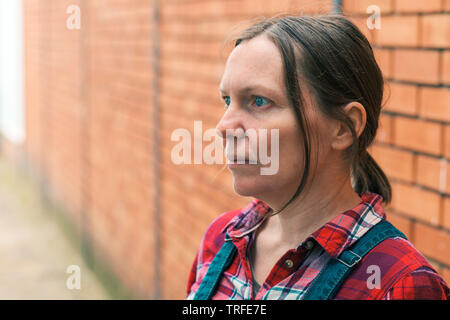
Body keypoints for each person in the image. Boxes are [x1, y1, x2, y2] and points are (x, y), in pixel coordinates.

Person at [185, 14, 450, 300]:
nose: (223, 127)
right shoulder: (222, 238)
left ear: (342, 128)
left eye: (259, 101)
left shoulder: (398, 283)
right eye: (227, 100)